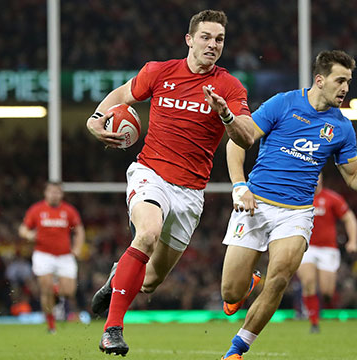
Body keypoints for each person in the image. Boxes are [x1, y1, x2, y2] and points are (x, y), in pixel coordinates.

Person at [85, 10, 255, 356]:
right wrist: (95, 120)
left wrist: (225, 114)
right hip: (151, 173)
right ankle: (112, 330)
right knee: (146, 234)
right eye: (206, 37)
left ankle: (118, 276)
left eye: (219, 39)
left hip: (191, 192)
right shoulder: (159, 71)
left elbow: (247, 136)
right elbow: (122, 94)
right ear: (189, 39)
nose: (213, 45)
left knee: (149, 282)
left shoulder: (230, 87)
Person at [219, 50, 357, 360]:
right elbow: (237, 142)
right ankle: (248, 281)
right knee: (230, 293)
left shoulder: (342, 127)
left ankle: (237, 349)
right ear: (319, 80)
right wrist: (240, 187)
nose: (346, 88)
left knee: (280, 276)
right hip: (256, 204)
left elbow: (352, 178)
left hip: (296, 213)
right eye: (340, 80)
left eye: (349, 81)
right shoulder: (283, 103)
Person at [18, 181, 85, 334]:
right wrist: (28, 234)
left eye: (57, 192)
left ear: (61, 194)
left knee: (69, 292)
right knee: (45, 288)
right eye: (51, 192)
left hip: (64, 256)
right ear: (45, 193)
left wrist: (78, 248)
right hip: (43, 254)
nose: (54, 195)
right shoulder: (37, 210)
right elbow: (23, 228)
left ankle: (56, 291)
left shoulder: (69, 211)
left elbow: (79, 230)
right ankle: (51, 324)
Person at [297, 173, 357, 333]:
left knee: (326, 292)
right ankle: (314, 323)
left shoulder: (332, 198)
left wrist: (353, 241)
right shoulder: (300, 197)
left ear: (322, 179)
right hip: (306, 247)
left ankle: (324, 305)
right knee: (308, 282)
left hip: (328, 250)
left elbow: (349, 218)